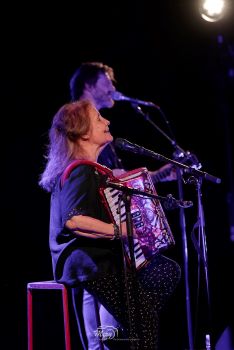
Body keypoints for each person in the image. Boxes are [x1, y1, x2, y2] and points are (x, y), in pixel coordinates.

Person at [39, 100, 181, 349]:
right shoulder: (80, 170)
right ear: (83, 132)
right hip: (92, 264)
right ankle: (125, 332)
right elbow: (74, 220)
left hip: (100, 261)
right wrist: (121, 231)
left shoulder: (89, 171)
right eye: (98, 119)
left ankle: (123, 332)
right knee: (144, 319)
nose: (107, 121)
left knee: (164, 272)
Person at [68, 61, 177, 349]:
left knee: (106, 291)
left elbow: (118, 178)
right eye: (108, 82)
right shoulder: (79, 126)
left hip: (108, 230)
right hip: (95, 229)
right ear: (90, 84)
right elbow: (94, 177)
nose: (114, 89)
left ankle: (105, 344)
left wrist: (164, 174)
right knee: (103, 290)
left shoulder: (100, 132)